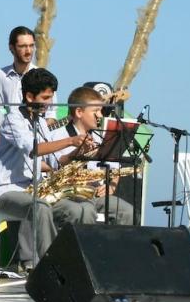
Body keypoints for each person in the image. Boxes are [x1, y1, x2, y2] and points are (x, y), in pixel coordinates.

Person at [0, 68, 95, 269]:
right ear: (29, 96)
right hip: (7, 191)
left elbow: (55, 162)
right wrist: (71, 139)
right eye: (45, 98)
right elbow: (34, 149)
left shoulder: (42, 124)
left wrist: (78, 151)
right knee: (40, 207)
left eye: (51, 97)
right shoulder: (12, 120)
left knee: (75, 209)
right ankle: (51, 266)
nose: (49, 103)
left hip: (34, 190)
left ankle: (78, 264)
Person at [50, 85, 135, 226]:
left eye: (101, 110)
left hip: (95, 194)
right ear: (79, 112)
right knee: (85, 211)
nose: (100, 115)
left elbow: (115, 167)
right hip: (68, 195)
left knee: (127, 212)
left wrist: (111, 187)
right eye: (96, 111)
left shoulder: (100, 138)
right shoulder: (57, 136)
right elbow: (53, 167)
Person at [0, 26, 57, 141]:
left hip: (33, 145)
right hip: (4, 142)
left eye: (31, 46)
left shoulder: (43, 77)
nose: (28, 51)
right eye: (23, 46)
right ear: (11, 48)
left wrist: (37, 135)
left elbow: (51, 116)